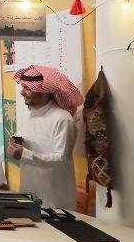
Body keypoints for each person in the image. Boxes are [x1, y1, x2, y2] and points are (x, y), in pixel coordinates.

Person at [7, 65, 84, 210]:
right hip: (29, 196)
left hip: (55, 201)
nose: (22, 93)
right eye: (23, 87)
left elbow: (61, 159)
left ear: (44, 91)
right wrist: (16, 144)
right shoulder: (27, 115)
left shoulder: (62, 119)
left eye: (27, 88)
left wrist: (24, 153)